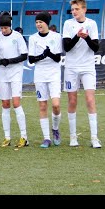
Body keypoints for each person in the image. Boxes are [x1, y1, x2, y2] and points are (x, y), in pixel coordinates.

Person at [62, 0, 101, 148]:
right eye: (72, 10)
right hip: (71, 68)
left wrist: (87, 37)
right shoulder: (68, 24)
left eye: (76, 9)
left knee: (90, 100)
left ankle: (94, 137)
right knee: (72, 101)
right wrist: (77, 36)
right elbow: (67, 47)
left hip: (88, 67)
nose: (74, 12)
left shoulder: (92, 24)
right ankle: (73, 137)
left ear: (84, 9)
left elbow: (96, 47)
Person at [0, 13, 29, 148]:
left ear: (10, 26)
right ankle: (7, 137)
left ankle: (24, 136)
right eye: (1, 28)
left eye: (5, 28)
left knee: (16, 102)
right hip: (1, 73)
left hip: (15, 73)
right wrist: (0, 61)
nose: (3, 30)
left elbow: (24, 55)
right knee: (5, 104)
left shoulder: (18, 37)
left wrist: (10, 61)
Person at [28, 11, 63, 148]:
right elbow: (31, 59)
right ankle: (46, 138)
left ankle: (55, 129)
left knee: (55, 104)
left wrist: (50, 54)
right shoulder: (33, 38)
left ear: (46, 23)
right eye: (36, 22)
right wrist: (42, 56)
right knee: (42, 106)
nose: (38, 25)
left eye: (41, 22)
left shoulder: (56, 36)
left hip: (53, 73)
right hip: (40, 74)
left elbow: (58, 58)